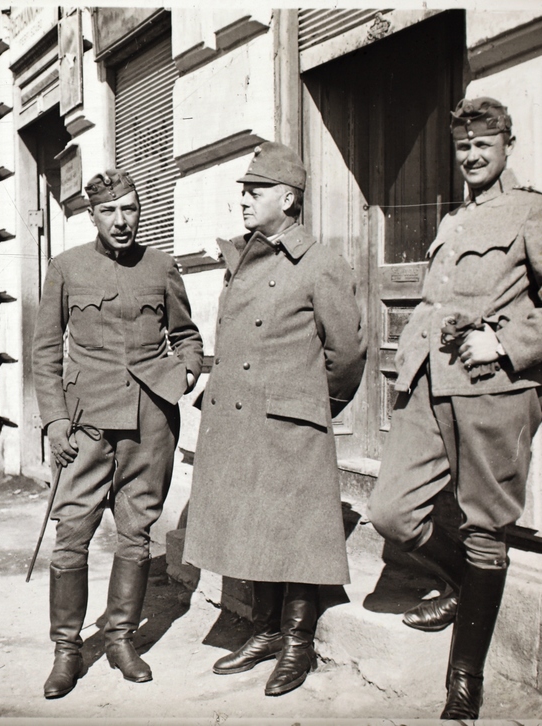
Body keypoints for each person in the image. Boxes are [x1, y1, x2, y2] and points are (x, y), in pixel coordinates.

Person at [369, 97, 542, 719]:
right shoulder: (456, 219)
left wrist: (505, 341)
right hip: (428, 388)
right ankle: (464, 585)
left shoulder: (534, 212)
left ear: (506, 146)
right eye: (463, 147)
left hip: (492, 390)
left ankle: (464, 681)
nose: (471, 156)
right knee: (391, 511)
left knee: (485, 529)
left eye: (483, 146)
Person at [183, 141, 366, 697]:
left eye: (254, 190)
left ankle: (298, 641)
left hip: (292, 418)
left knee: (297, 533)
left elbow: (348, 354)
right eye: (244, 190)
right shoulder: (245, 255)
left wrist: (312, 402)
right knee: (251, 521)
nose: (243, 199)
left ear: (286, 198)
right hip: (242, 415)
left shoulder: (320, 263)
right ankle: (263, 629)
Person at [29, 170, 203, 698]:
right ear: (93, 216)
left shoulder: (161, 267)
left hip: (150, 423)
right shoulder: (66, 268)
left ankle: (122, 638)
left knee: (137, 533)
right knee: (71, 536)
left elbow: (187, 334)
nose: (121, 221)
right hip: (84, 424)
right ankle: (67, 650)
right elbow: (44, 352)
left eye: (129, 208)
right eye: (109, 211)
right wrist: (55, 420)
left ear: (139, 209)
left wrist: (187, 372)